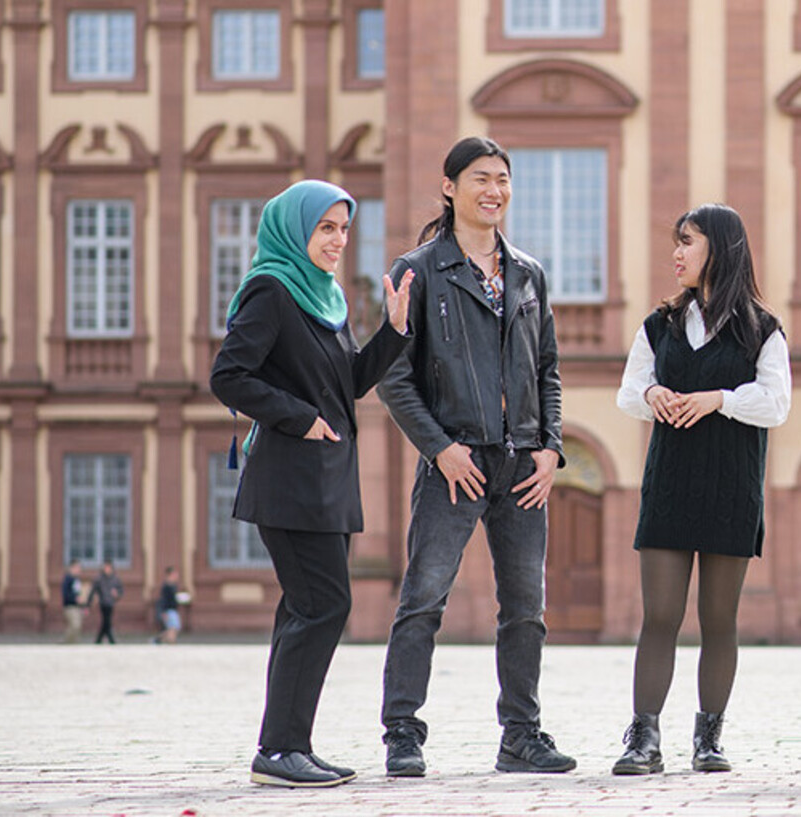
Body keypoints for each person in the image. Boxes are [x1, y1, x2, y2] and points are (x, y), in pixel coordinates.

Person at [377, 136, 575, 778]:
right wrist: (441, 449)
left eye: (503, 180)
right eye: (482, 178)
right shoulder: (418, 271)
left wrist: (551, 448)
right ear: (450, 187)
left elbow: (547, 368)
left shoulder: (528, 274)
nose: (495, 190)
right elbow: (394, 378)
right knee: (423, 600)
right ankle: (402, 733)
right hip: (453, 466)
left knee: (526, 609)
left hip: (522, 464)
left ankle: (521, 734)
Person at [210, 178, 413, 788]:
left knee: (308, 607)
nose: (337, 241)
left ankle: (286, 746)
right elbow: (229, 376)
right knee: (326, 604)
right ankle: (278, 750)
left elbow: (348, 384)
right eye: (325, 228)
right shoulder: (271, 291)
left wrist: (394, 332)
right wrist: (302, 421)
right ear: (295, 231)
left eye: (344, 229)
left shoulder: (325, 297)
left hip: (326, 481)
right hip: (289, 479)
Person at [611, 203, 791, 775]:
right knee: (659, 616)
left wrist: (720, 399)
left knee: (719, 620)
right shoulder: (658, 325)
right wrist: (652, 397)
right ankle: (643, 739)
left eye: (687, 242)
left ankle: (708, 739)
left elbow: (777, 405)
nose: (677, 253)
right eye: (676, 242)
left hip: (731, 488)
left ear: (719, 247)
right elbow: (629, 390)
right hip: (668, 485)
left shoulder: (762, 329)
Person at [85, 562, 122, 644]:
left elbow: (120, 590)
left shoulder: (115, 579)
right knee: (106, 620)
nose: (107, 570)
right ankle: (110, 640)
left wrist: (117, 594)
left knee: (106, 621)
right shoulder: (99, 579)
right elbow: (92, 591)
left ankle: (99, 640)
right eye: (105, 568)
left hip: (111, 603)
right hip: (103, 603)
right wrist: (88, 604)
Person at [153, 566, 183, 645]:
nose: (177, 576)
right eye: (175, 574)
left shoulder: (174, 586)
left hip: (173, 610)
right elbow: (164, 600)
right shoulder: (166, 586)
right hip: (169, 610)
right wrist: (163, 612)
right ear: (171, 574)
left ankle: (158, 639)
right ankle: (170, 643)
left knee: (173, 629)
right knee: (172, 629)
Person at [60, 560, 85, 644]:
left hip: (77, 606)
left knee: (77, 626)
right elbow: (65, 593)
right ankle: (66, 642)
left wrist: (82, 605)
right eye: (77, 568)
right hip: (69, 606)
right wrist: (75, 599)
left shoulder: (76, 579)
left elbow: (78, 593)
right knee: (75, 625)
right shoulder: (68, 579)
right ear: (72, 568)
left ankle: (74, 643)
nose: (79, 570)